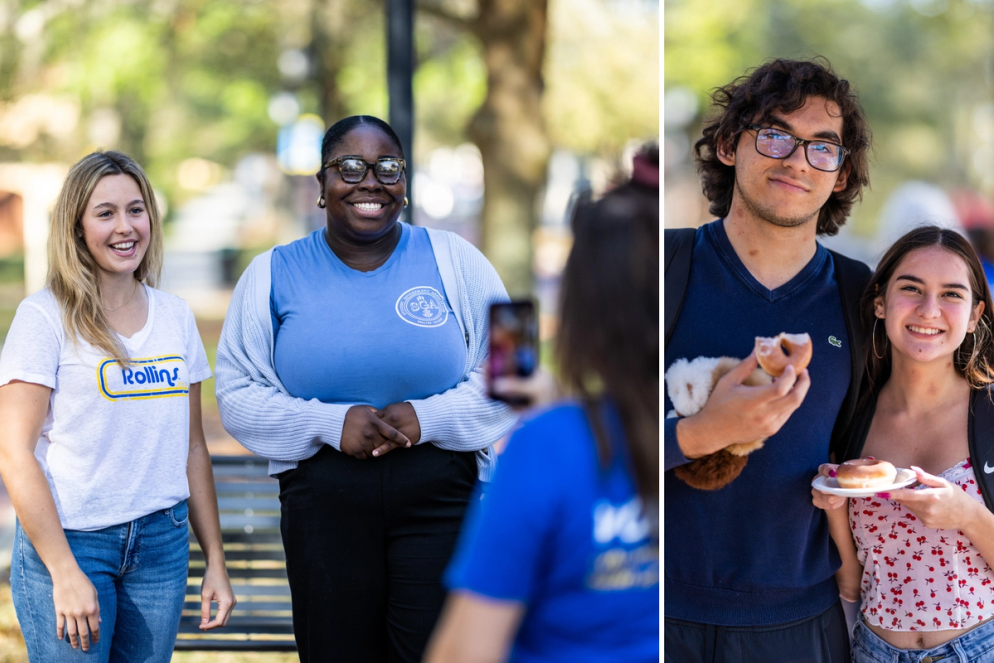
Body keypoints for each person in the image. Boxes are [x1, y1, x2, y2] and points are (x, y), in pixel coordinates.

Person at [213, 114, 517, 663]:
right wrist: (328, 424)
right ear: (321, 187)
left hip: (443, 498)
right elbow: (235, 393)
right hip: (323, 504)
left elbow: (520, 371)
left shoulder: (458, 258)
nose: (369, 181)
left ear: (405, 182)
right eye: (349, 167)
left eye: (387, 167)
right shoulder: (269, 272)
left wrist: (431, 418)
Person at [663, 57, 873, 662]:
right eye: (776, 134)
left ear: (840, 173)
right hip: (655, 611)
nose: (797, 160)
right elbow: (593, 438)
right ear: (730, 144)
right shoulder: (661, 268)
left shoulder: (862, 299)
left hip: (799, 625)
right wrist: (701, 434)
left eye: (822, 148)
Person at [424, 146, 659, 663]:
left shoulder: (549, 449)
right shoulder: (719, 428)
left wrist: (561, 420)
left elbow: (464, 652)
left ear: (584, 304)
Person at [0, 151, 235, 662]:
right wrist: (63, 570)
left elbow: (192, 447)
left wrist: (215, 558)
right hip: (72, 542)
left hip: (161, 546)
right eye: (105, 213)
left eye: (136, 209)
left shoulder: (174, 317)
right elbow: (13, 453)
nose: (125, 227)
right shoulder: (43, 319)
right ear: (77, 228)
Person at [812, 226, 994, 663]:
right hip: (874, 651)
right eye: (911, 288)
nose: (929, 310)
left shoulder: (990, 412)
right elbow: (853, 586)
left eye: (951, 294)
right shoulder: (850, 417)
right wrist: (834, 508)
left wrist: (967, 515)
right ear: (880, 302)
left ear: (974, 315)